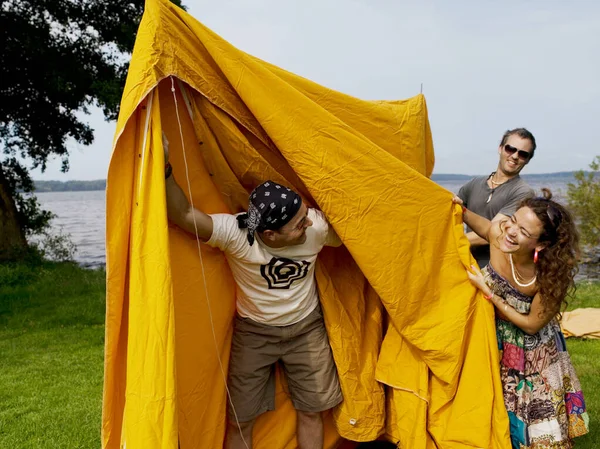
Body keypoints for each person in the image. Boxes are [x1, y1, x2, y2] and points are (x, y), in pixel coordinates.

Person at [163, 134, 343, 449]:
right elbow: (184, 215)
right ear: (270, 234)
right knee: (240, 418)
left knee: (313, 410)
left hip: (307, 330)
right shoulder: (236, 233)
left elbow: (360, 230)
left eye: (306, 217)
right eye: (298, 225)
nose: (308, 225)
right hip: (255, 333)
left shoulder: (317, 228)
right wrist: (163, 166)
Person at [453, 189, 589, 449]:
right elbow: (484, 226)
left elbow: (531, 325)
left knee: (535, 420)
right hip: (493, 334)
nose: (511, 231)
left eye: (524, 232)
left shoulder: (549, 277)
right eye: (513, 220)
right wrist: (461, 210)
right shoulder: (500, 235)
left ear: (540, 245)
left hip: (533, 349)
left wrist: (489, 293)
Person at [458, 128, 536, 268]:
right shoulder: (474, 183)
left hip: (496, 271)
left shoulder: (523, 192)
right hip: (466, 263)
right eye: (510, 149)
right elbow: (449, 211)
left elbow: (495, 232)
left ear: (527, 160)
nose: (515, 156)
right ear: (500, 148)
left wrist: (453, 242)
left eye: (523, 154)